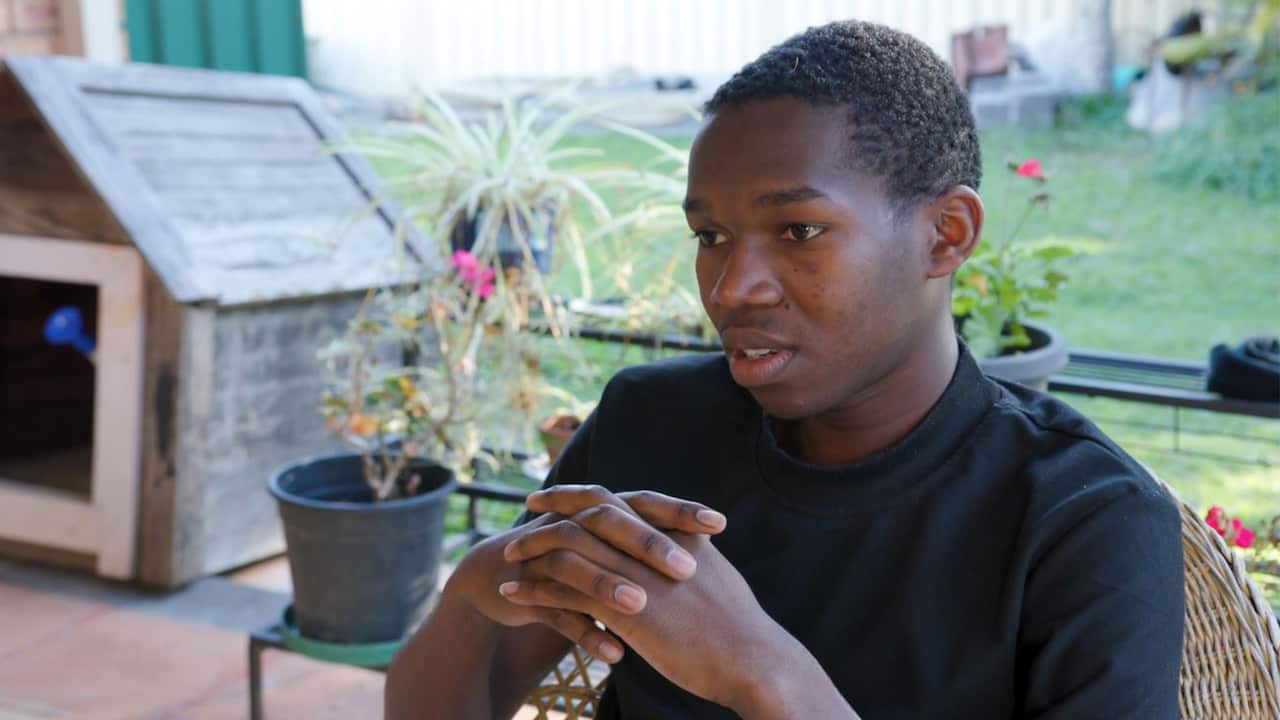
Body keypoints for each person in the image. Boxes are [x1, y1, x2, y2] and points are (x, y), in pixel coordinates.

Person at [385, 20, 1184, 719]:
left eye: (798, 230)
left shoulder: (1082, 523)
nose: (732, 287)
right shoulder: (650, 427)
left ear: (946, 234)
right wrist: (469, 598)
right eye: (710, 237)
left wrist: (764, 676)